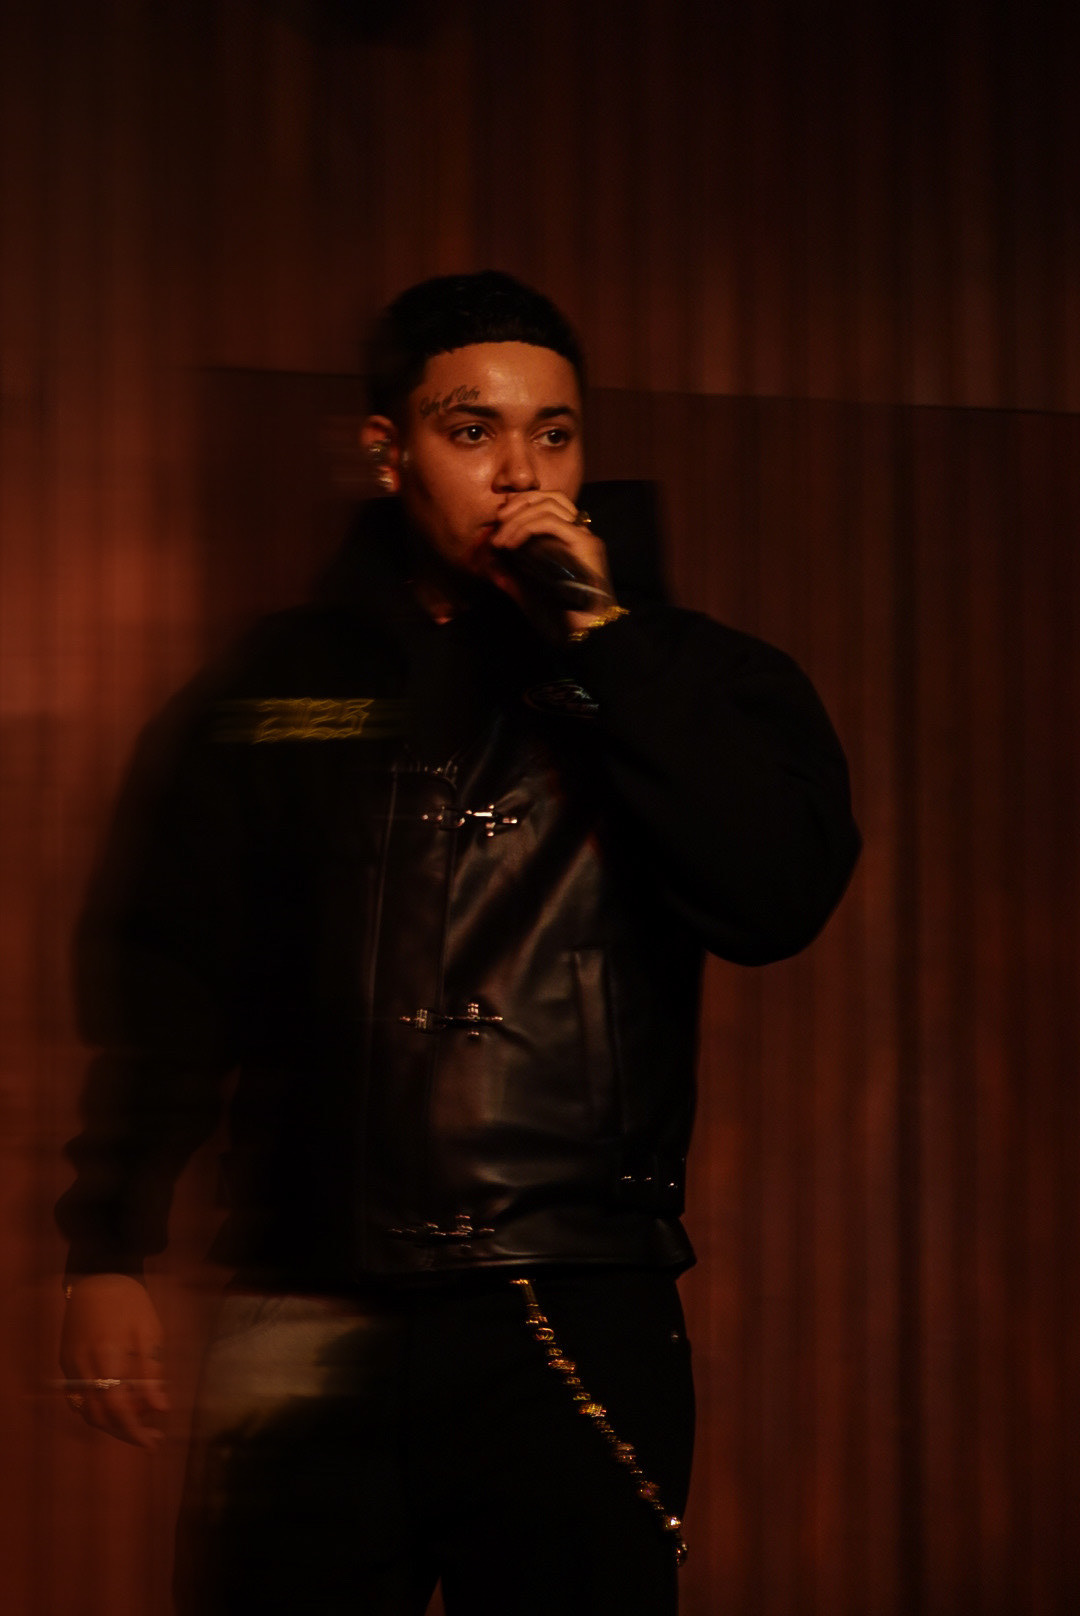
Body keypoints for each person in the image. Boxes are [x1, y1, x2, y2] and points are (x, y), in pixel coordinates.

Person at [57, 271, 860, 1615]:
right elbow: (172, 972)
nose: (519, 472)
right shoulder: (274, 685)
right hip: (308, 1302)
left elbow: (776, 896)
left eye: (555, 433)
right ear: (390, 453)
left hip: (573, 1309)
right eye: (472, 430)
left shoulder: (695, 675)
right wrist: (107, 1243)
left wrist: (604, 644)